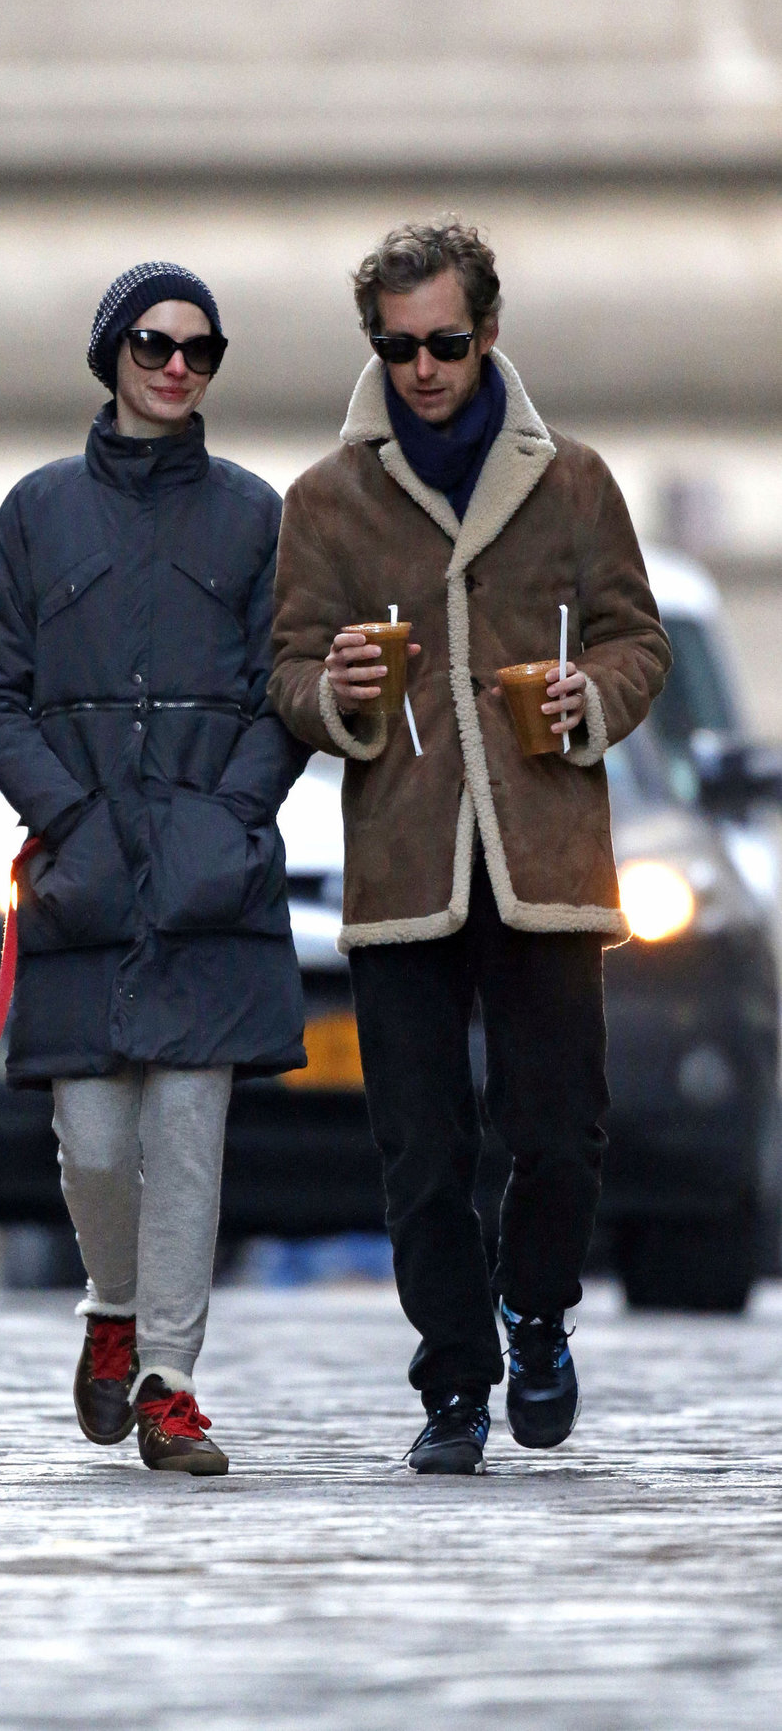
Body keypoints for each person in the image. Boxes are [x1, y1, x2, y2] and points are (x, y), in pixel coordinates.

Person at [268, 219, 671, 1474]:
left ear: (487, 332)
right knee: (420, 1150)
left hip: (545, 862)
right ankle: (452, 1385)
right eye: (398, 349)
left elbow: (637, 641)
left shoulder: (575, 483)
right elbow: (282, 672)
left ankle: (537, 1315)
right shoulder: (324, 502)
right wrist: (330, 688)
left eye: (445, 343)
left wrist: (586, 698)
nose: (424, 368)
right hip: (401, 871)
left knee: (561, 1130)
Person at [0, 262, 307, 1475]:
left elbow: (287, 692)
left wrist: (231, 817)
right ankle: (111, 1308)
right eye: (154, 344)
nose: (176, 367)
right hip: (86, 872)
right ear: (111, 354)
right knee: (96, 1139)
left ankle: (168, 1376)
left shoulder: (258, 514)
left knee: (190, 1136)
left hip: (208, 873)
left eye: (201, 351)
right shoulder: (35, 511)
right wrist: (67, 816)